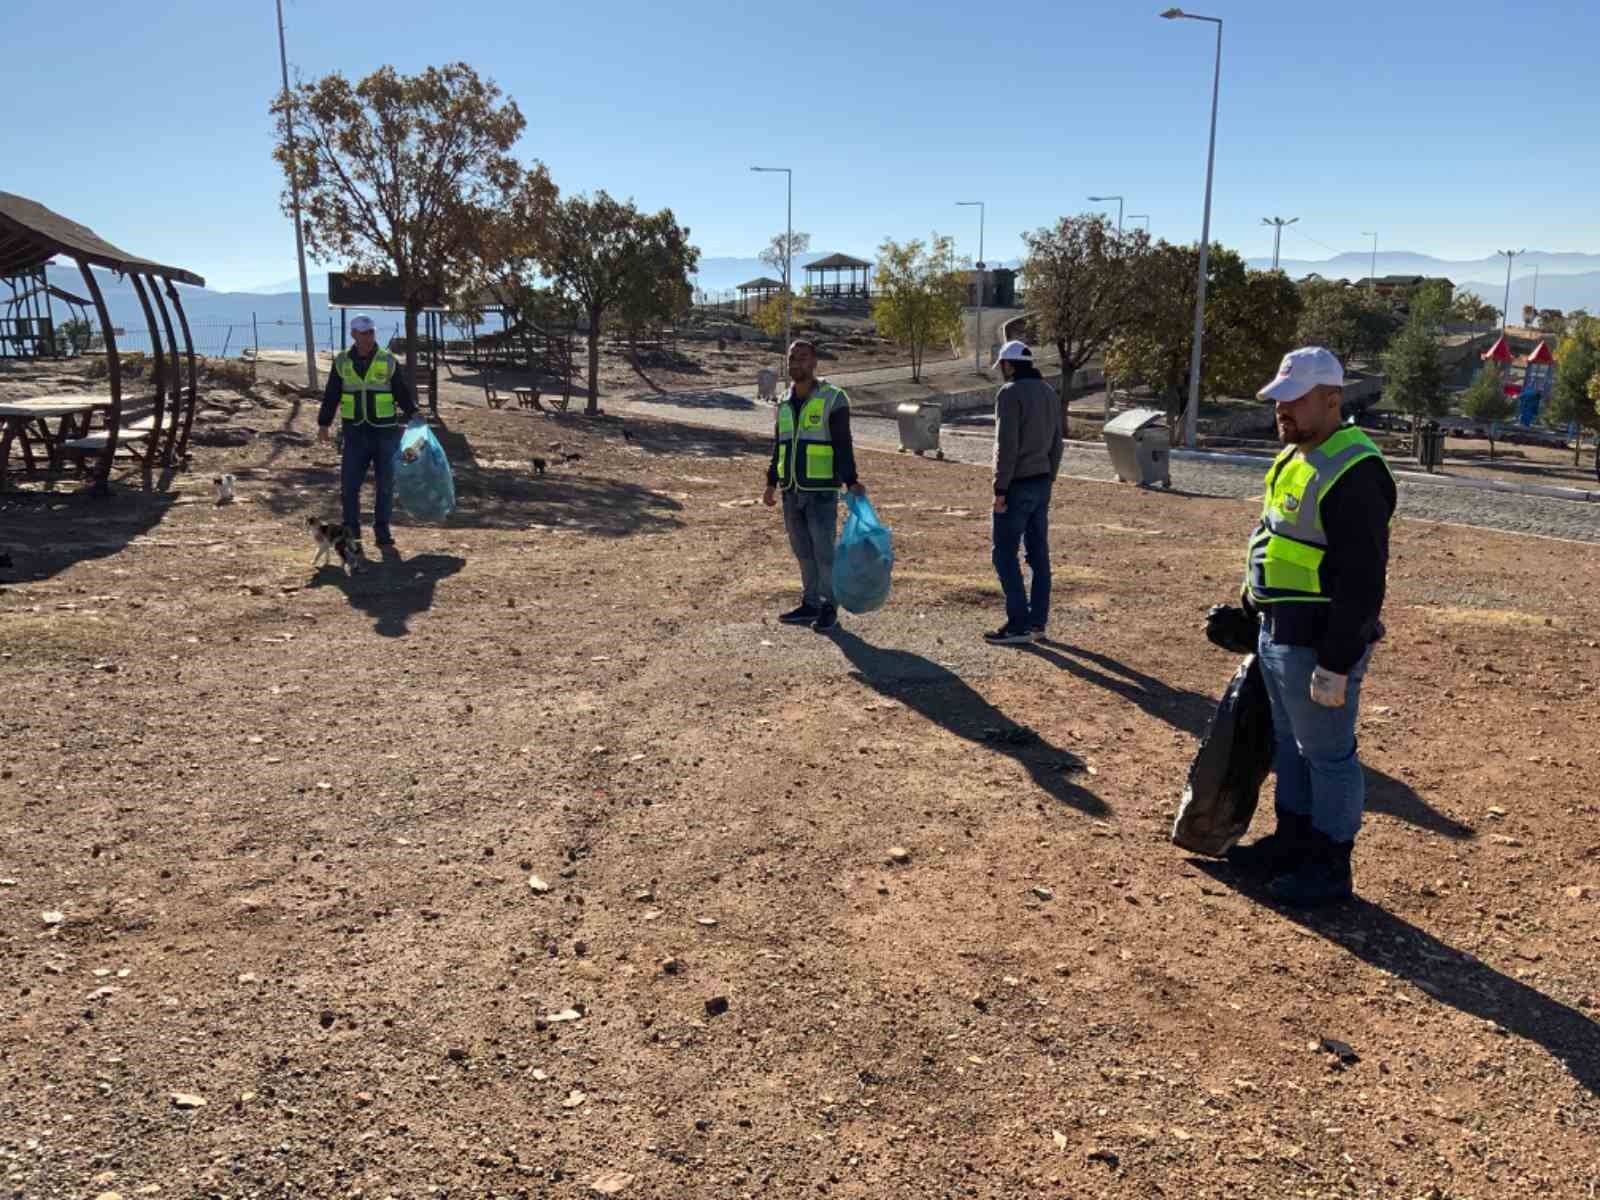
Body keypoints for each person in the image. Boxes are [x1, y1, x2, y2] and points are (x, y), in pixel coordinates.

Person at [1205, 346, 1397, 907]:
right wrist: (1250, 612)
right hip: (1279, 633)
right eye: (1278, 399)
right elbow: (1277, 540)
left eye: (1295, 399)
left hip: (1318, 640)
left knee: (1328, 755)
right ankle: (1292, 843)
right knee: (1290, 747)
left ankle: (1329, 865)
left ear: (1332, 399)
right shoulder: (1296, 456)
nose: (1282, 410)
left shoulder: (1354, 468)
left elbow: (1363, 579)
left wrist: (1338, 662)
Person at [763, 339, 864, 632]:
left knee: (824, 553)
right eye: (792, 358)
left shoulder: (834, 398)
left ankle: (829, 606)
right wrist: (771, 482)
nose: (796, 363)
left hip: (821, 490)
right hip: (791, 489)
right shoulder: (783, 401)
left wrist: (851, 480)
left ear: (815, 362)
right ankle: (810, 604)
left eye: (803, 358)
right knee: (803, 551)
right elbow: (779, 447)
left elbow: (843, 444)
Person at [316, 315, 417, 557]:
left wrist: (414, 413)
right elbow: (332, 394)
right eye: (363, 333)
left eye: (371, 332)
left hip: (385, 432)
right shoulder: (342, 361)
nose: (368, 336)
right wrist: (324, 423)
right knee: (349, 486)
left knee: (385, 485)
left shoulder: (387, 359)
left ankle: (382, 531)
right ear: (353, 335)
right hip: (355, 433)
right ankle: (351, 533)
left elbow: (400, 390)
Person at [985, 340, 1063, 645]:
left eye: (1002, 365)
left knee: (1004, 553)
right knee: (1038, 554)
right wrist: (1050, 476)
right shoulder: (1048, 392)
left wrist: (1000, 489)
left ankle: (1018, 623)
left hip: (1016, 484)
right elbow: (1058, 442)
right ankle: (1037, 623)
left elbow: (1007, 445)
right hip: (1042, 481)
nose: (1002, 371)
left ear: (1010, 364)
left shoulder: (1010, 393)